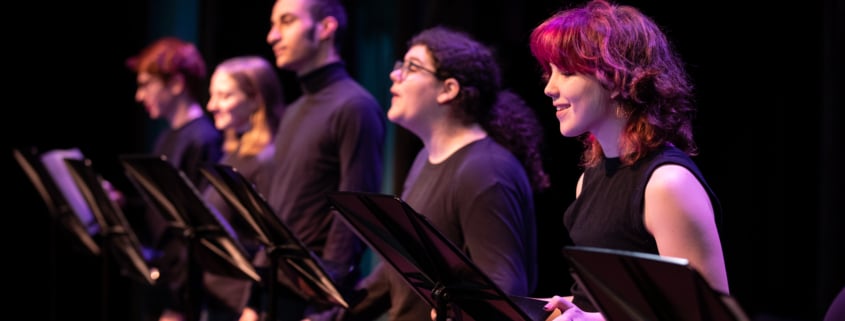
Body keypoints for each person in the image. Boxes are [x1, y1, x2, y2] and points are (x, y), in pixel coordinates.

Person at [313, 26, 551, 321]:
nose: (394, 74)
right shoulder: (425, 157)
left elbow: (503, 296)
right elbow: (397, 271)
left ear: (448, 89)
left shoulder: (487, 171)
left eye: (411, 67)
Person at [528, 1, 729, 320]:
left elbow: (707, 315)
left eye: (565, 72)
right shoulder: (589, 180)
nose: (550, 88)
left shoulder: (667, 185)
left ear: (614, 76)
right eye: (549, 73)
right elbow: (611, 305)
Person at [239, 0, 386, 320]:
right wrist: (253, 299)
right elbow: (277, 213)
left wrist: (323, 306)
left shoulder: (355, 106)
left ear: (325, 28)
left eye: (286, 21)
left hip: (308, 302)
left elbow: (354, 216)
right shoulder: (293, 111)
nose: (272, 36)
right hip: (271, 291)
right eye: (273, 23)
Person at [124, 36, 224, 321]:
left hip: (184, 292)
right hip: (163, 280)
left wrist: (179, 302)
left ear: (177, 84)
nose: (139, 96)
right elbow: (160, 211)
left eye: (146, 85)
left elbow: (196, 225)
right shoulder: (167, 137)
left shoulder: (203, 139)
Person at [198, 55, 286, 321]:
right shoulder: (234, 154)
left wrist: (253, 305)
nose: (212, 105)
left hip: (241, 307)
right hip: (218, 299)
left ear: (255, 99)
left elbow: (269, 240)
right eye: (213, 95)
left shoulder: (266, 160)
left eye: (224, 96)